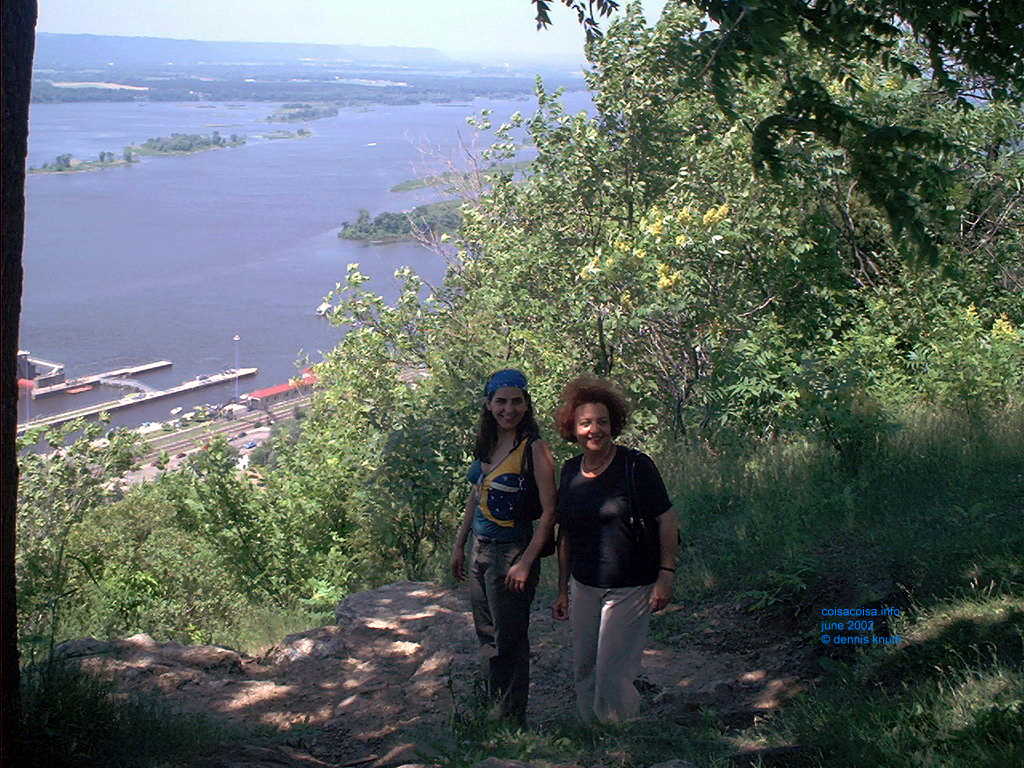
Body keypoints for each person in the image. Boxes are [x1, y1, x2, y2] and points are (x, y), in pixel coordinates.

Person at [550, 374, 678, 723]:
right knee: (585, 667)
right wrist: (562, 589)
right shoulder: (569, 472)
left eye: (602, 422)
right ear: (572, 428)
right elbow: (566, 534)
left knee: (612, 670)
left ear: (613, 424)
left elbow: (666, 519)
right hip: (584, 584)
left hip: (630, 584)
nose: (595, 430)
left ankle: (618, 743)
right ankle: (591, 736)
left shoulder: (636, 466)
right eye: (586, 423)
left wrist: (665, 574)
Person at [451, 368, 557, 726]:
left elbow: (550, 512)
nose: (508, 409)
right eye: (501, 401)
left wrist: (526, 561)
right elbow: (475, 495)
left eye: (516, 401)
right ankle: (493, 706)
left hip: (512, 550)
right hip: (481, 549)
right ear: (488, 404)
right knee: (487, 634)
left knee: (510, 639)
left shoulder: (535, 450)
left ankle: (511, 721)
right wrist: (459, 543)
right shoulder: (488, 444)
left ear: (527, 405)